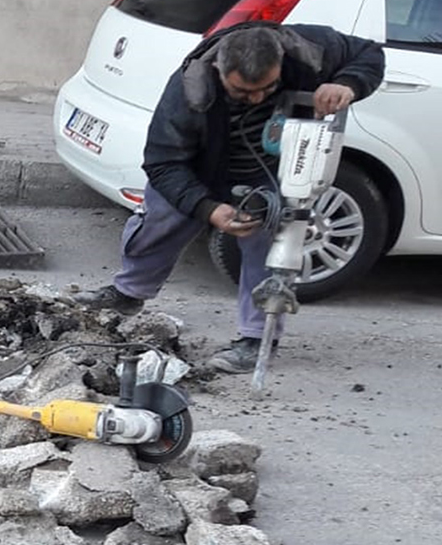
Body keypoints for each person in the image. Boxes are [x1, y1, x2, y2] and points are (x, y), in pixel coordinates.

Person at [74, 22, 385, 373]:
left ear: (280, 62)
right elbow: (162, 163)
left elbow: (368, 53)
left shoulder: (307, 49)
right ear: (220, 69)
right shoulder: (189, 90)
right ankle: (129, 293)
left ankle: (256, 338)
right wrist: (209, 209)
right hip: (202, 170)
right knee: (162, 214)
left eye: (266, 89)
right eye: (241, 92)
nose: (255, 99)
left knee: (266, 238)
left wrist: (347, 83)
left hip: (270, 172)